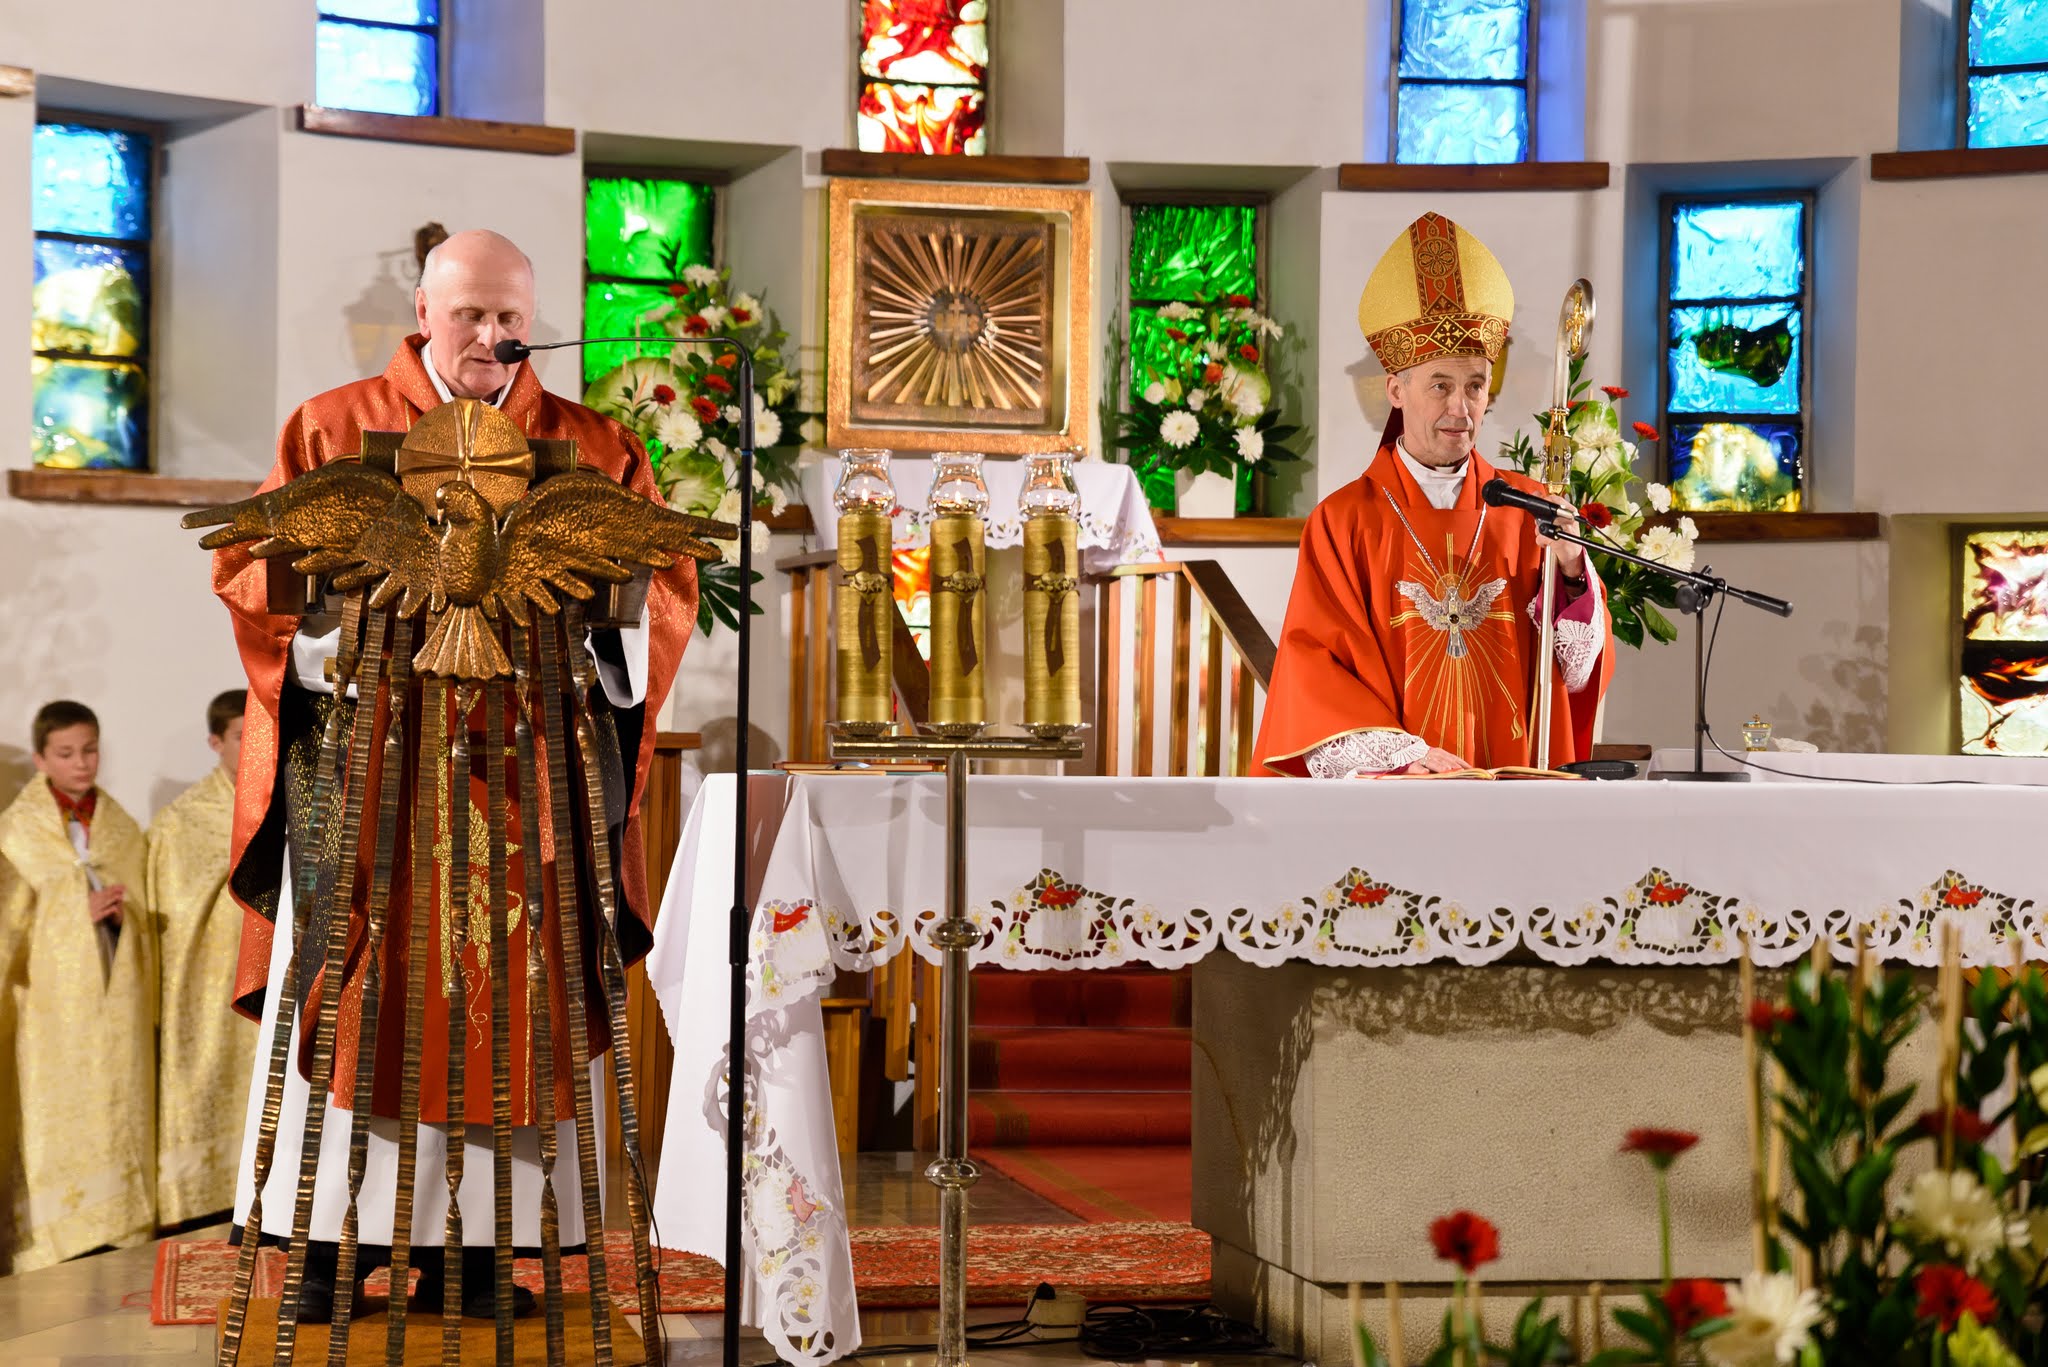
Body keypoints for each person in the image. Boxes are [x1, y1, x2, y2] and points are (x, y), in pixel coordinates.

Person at [207, 229, 700, 1320]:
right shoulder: (335, 427)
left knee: (513, 999)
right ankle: (330, 1244)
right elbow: (247, 566)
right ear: (423, 313)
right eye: (470, 312)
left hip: (526, 776)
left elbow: (664, 588)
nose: (491, 335)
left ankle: (480, 1249)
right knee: (355, 990)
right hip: (369, 773)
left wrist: (605, 629)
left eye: (510, 316)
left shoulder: (591, 445)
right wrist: (332, 624)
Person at [1253, 213, 1612, 778]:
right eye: (1440, 386)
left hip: (1513, 781)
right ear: (1396, 391)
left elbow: (1574, 672)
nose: (1460, 408)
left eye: (1475, 386)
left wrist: (1570, 569)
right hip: (1400, 792)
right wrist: (1406, 756)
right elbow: (1315, 670)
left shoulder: (1531, 510)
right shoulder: (1344, 521)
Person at [0, 701, 155, 1273]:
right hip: (49, 1012)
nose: (82, 763)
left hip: (115, 995)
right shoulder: (15, 832)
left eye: (90, 750)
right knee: (57, 1116)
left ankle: (119, 1222)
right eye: (66, 753)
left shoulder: (121, 826)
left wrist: (121, 914)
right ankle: (58, 1235)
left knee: (117, 1106)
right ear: (40, 758)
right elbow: (10, 930)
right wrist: (75, 912)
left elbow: (147, 905)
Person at [146, 689, 254, 1229]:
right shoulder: (181, 822)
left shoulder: (292, 804)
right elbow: (174, 917)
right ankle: (203, 1202)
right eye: (240, 736)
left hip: (273, 977)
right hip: (208, 985)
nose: (252, 745)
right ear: (216, 742)